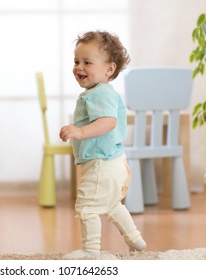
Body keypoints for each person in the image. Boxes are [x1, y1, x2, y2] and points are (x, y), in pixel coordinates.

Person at [59, 31, 146, 259]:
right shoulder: (100, 92)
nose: (79, 67)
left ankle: (90, 251)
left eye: (87, 62)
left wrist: (80, 131)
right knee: (112, 204)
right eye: (76, 61)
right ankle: (135, 240)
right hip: (113, 161)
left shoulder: (100, 93)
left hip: (101, 163)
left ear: (109, 69)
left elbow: (108, 122)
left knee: (87, 207)